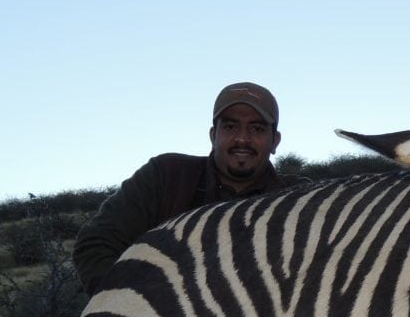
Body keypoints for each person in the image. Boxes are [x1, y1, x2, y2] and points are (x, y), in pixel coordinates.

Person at [73, 82, 299, 296]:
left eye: (257, 129)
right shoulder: (166, 175)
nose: (242, 139)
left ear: (275, 141)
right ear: (213, 135)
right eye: (230, 127)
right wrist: (133, 306)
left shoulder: (298, 198)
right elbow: (96, 242)